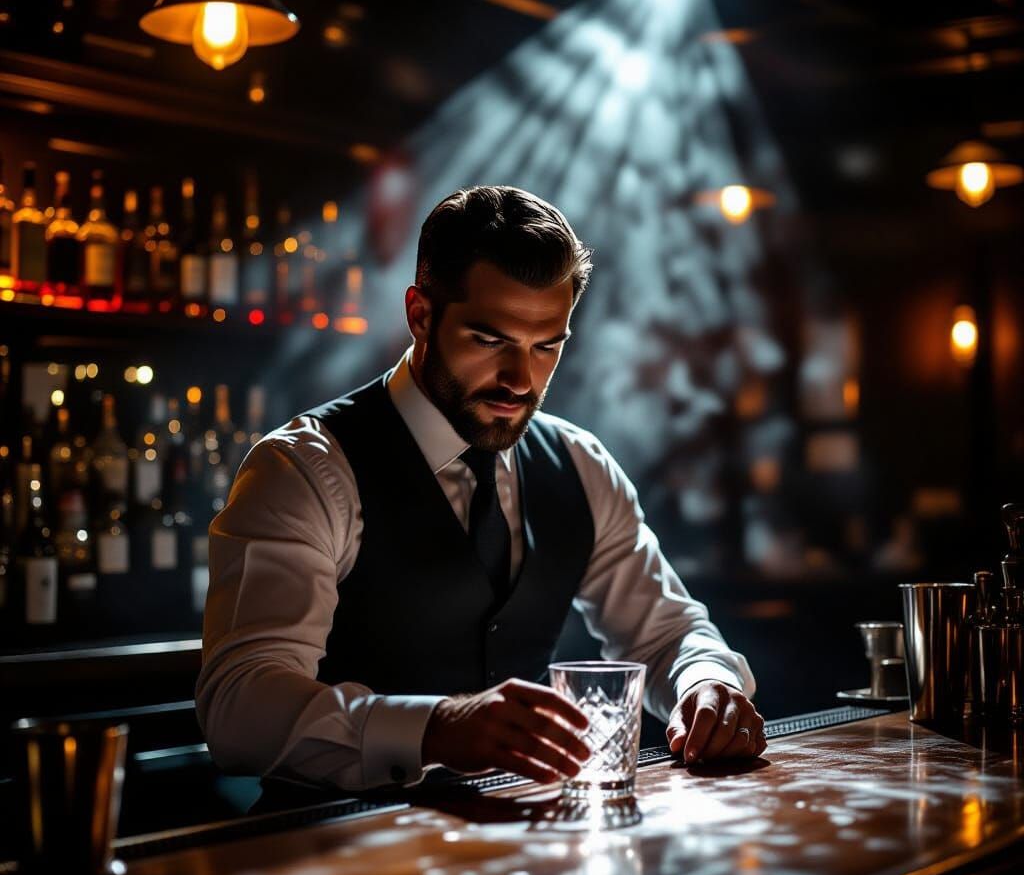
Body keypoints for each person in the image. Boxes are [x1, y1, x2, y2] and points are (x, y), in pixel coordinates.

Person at [197, 185, 764, 792]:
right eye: (490, 341)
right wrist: (435, 726)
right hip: (334, 858)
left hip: (523, 852)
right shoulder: (304, 469)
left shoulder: (580, 464)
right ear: (420, 315)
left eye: (547, 346)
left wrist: (708, 681)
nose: (521, 379)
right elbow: (238, 706)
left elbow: (666, 633)